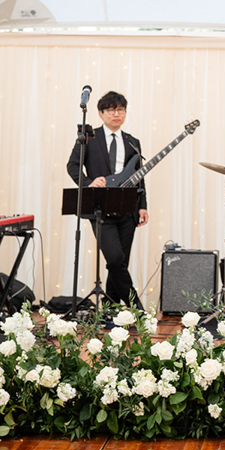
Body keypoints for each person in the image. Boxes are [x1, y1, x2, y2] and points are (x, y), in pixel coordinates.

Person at [66, 90, 148, 310]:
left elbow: (139, 178)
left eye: (120, 110)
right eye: (111, 110)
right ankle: (136, 308)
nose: (116, 114)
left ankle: (110, 308)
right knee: (115, 259)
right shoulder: (88, 138)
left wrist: (143, 207)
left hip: (128, 209)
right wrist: (89, 182)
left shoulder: (133, 142)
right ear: (101, 113)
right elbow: (72, 166)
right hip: (100, 208)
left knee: (120, 262)